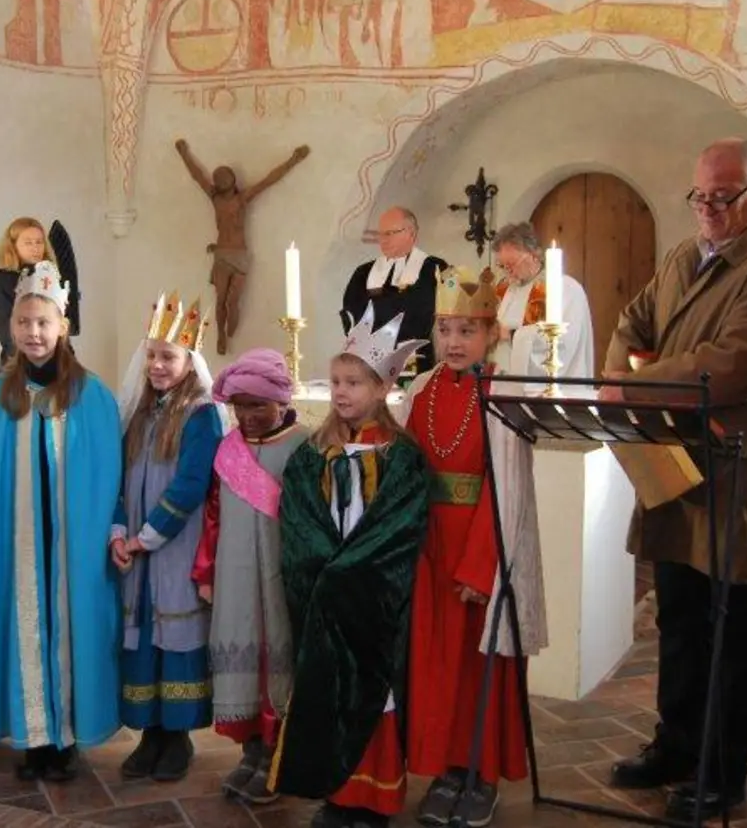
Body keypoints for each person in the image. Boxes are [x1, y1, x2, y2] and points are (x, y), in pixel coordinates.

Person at [599, 138, 747, 821]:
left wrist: (635, 380)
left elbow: (730, 370)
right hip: (675, 464)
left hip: (737, 477)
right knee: (680, 617)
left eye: (723, 198)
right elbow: (631, 322)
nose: (708, 210)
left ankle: (724, 769)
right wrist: (623, 371)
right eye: (699, 197)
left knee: (733, 627)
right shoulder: (682, 257)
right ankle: (676, 744)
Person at [268, 304, 430, 828]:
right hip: (324, 596)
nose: (340, 392)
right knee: (327, 692)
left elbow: (396, 528)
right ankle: (337, 796)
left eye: (354, 382)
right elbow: (299, 519)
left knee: (375, 695)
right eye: (336, 381)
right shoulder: (313, 452)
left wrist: (347, 574)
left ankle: (376, 802)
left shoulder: (402, 456)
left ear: (382, 389)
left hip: (372, 601)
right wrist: (321, 568)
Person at [402, 267, 546, 828]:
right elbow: (407, 468)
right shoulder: (421, 390)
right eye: (445, 329)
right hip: (429, 549)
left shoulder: (503, 396)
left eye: (468, 330)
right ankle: (445, 768)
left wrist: (480, 567)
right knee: (435, 664)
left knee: (476, 664)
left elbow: (504, 489)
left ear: (492, 334)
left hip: (478, 553)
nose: (454, 342)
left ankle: (480, 772)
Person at [0, 261, 123, 783]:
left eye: (43, 322)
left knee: (68, 629)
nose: (33, 333)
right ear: (12, 327)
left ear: (62, 325)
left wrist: (103, 532)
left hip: (71, 544)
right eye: (24, 323)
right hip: (15, 540)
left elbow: (108, 474)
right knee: (22, 628)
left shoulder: (93, 396)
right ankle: (33, 735)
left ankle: (64, 740)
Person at [112, 292, 226, 781]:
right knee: (142, 640)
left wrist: (145, 537)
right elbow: (117, 476)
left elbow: (191, 484)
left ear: (189, 359)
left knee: (175, 638)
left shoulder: (200, 414)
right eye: (152, 355)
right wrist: (119, 530)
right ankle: (149, 736)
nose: (158, 365)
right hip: (136, 548)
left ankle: (176, 738)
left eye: (169, 356)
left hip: (174, 547)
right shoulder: (138, 412)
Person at [190, 348, 309, 805]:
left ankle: (277, 759)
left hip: (281, 581)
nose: (248, 416)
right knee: (244, 667)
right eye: (239, 406)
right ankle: (250, 751)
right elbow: (214, 516)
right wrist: (206, 572)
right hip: (237, 579)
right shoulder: (229, 449)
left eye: (258, 405)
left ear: (281, 401)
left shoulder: (304, 445)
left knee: (277, 666)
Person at [174, 138, 311, 355]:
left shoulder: (242, 199)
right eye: (217, 177)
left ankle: (231, 323)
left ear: (232, 179)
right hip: (222, 254)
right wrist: (183, 153)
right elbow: (197, 176)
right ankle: (220, 335)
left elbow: (269, 180)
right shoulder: (215, 198)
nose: (220, 180)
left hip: (239, 254)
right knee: (220, 299)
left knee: (232, 300)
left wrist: (293, 160)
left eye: (224, 176)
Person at [340, 208, 449, 376]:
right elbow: (350, 313)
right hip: (370, 364)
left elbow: (434, 313)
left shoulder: (433, 269)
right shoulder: (363, 272)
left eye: (390, 233)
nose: (383, 240)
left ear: (411, 234)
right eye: (380, 234)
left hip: (420, 364)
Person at [489, 221, 594, 379]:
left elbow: (564, 342)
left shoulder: (564, 288)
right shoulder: (507, 291)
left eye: (511, 264)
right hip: (506, 385)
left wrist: (510, 335)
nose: (507, 272)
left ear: (533, 255)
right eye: (502, 266)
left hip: (551, 388)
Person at [0, 217, 81, 362]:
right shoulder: (1, 285)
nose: (35, 248)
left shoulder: (52, 279)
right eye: (28, 243)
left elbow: (64, 326)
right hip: (21, 367)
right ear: (13, 246)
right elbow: (9, 336)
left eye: (39, 242)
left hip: (61, 363)